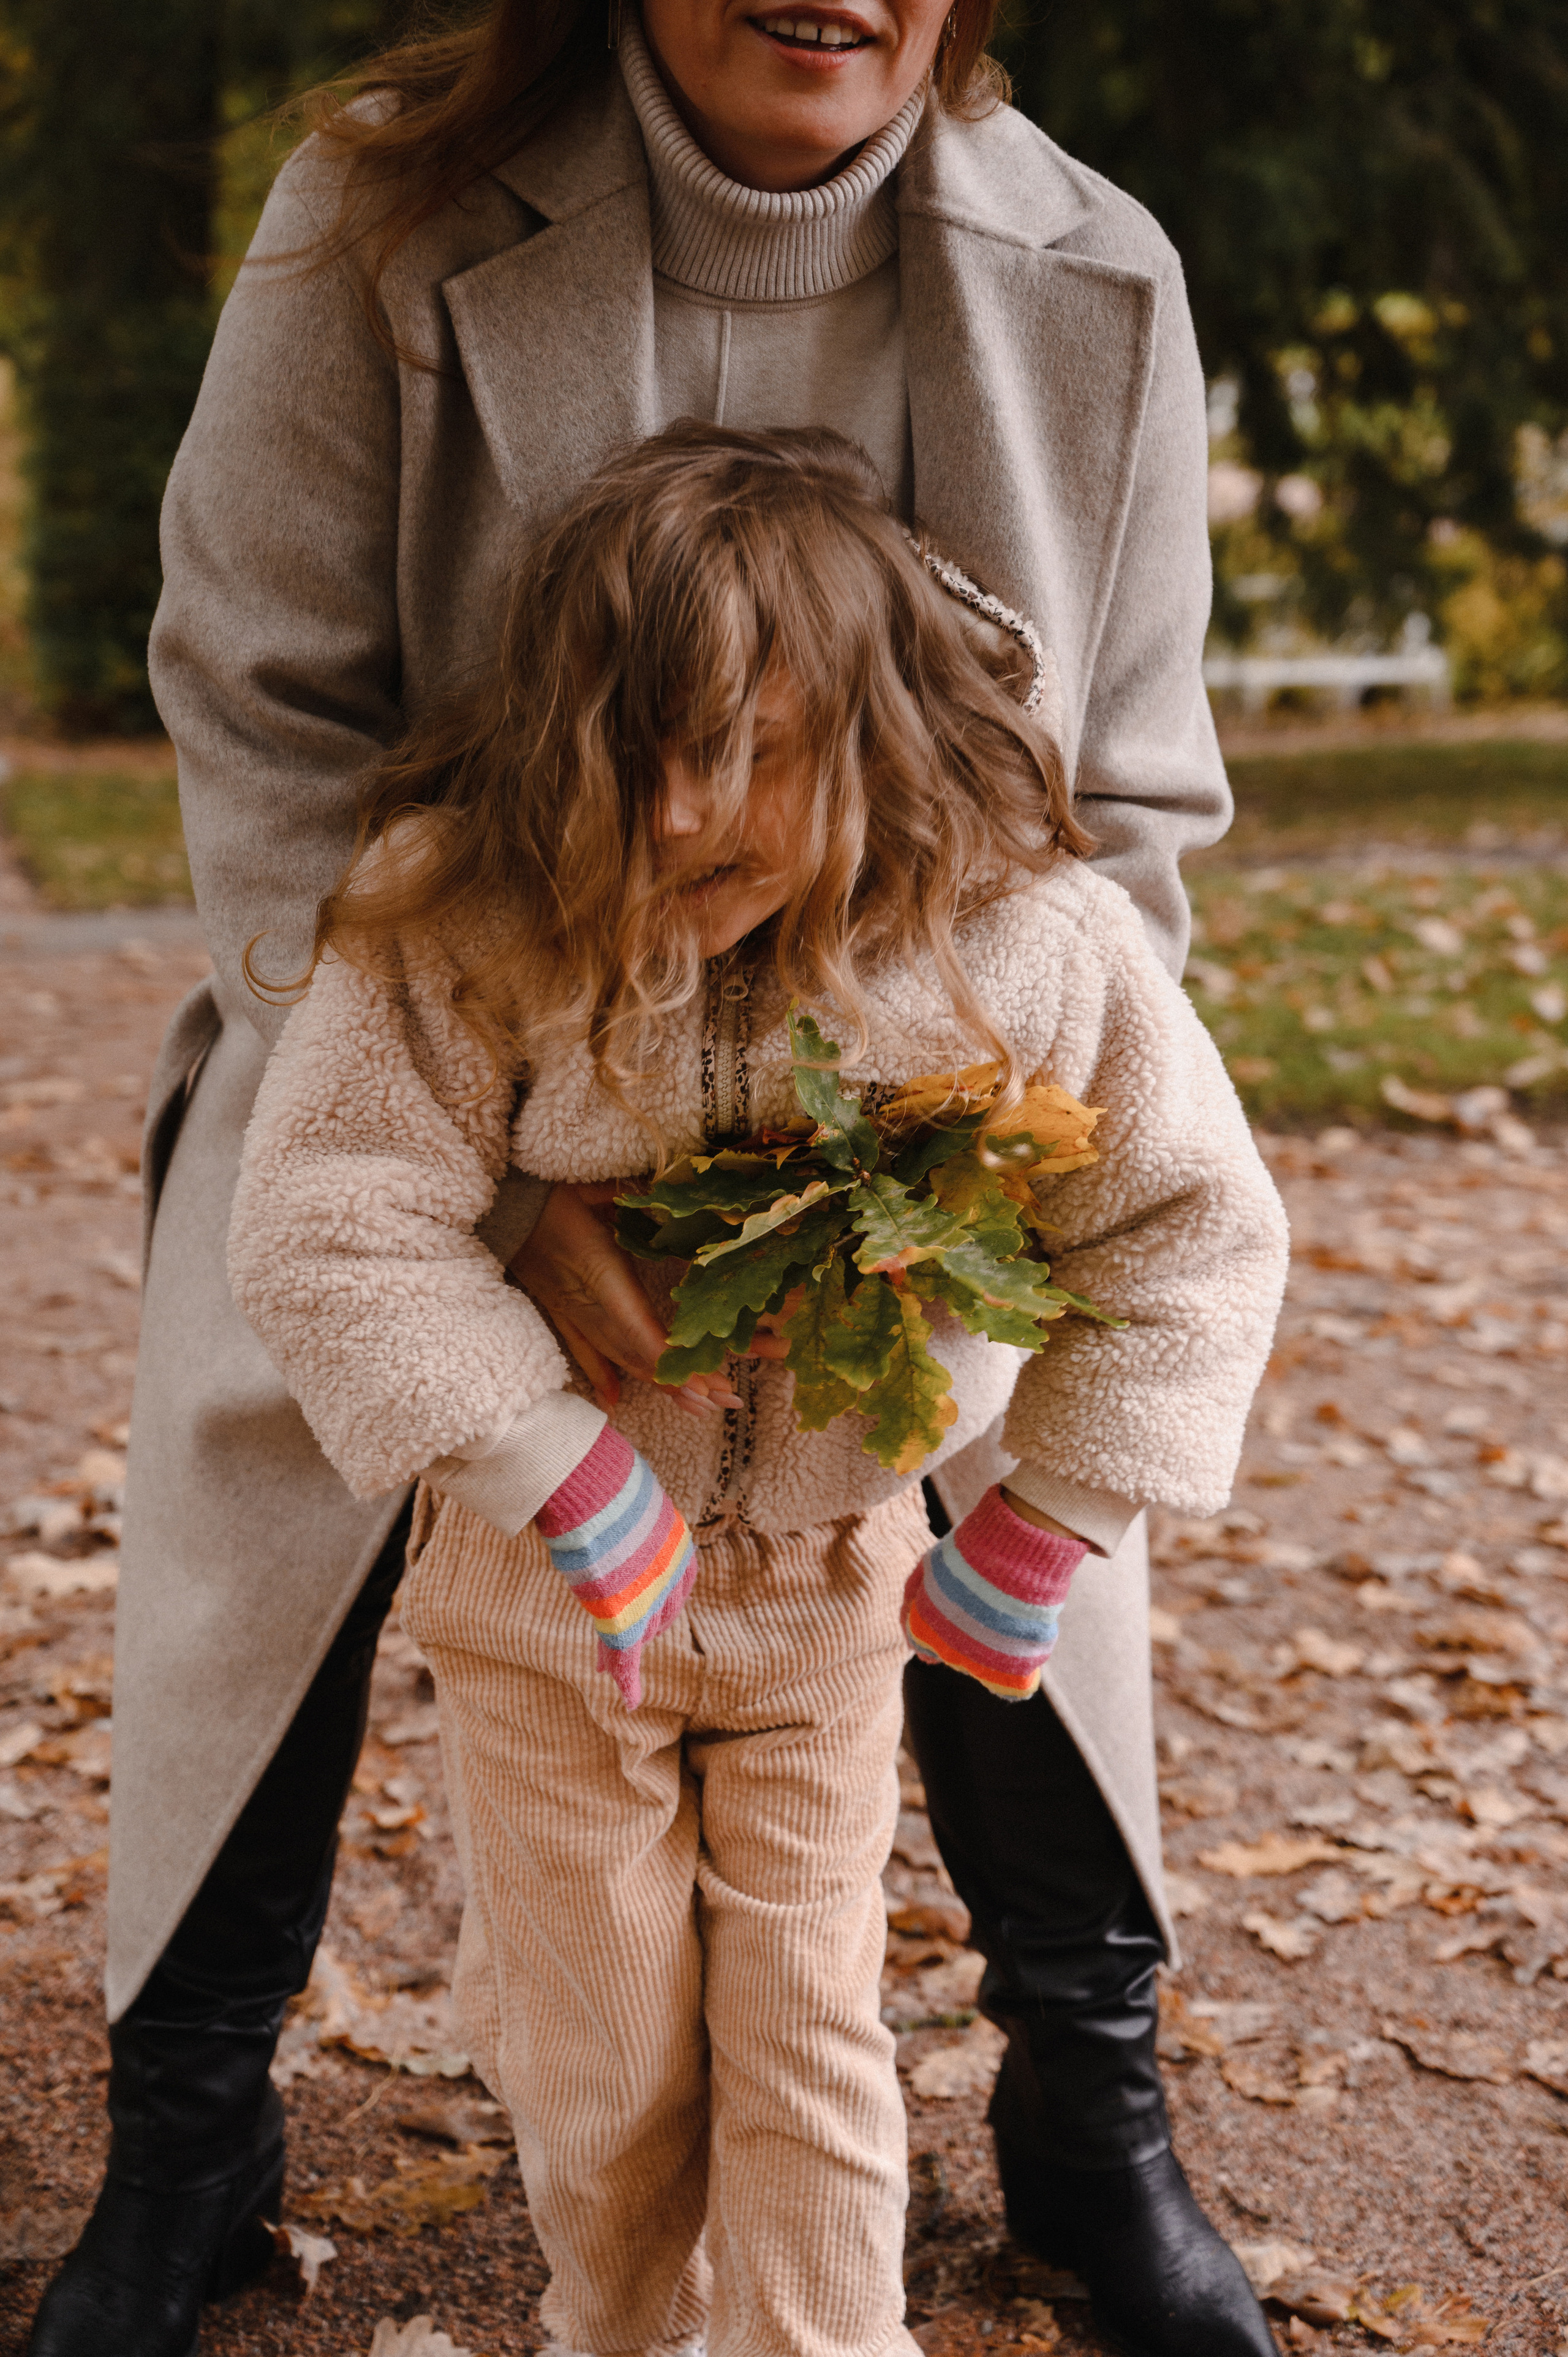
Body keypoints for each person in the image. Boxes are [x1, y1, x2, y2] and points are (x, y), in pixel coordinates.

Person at [27, 4, 1271, 2354]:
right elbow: (257, 702)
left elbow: (1132, 805)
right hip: (429, 1032)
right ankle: (186, 2143)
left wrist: (954, 1176)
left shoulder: (1097, 272)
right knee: (281, 1338)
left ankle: (1094, 2126)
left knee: (1014, 1410)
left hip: (921, 1085)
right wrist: (489, 1179)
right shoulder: (380, 214)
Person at [225, 425, 1288, 2357]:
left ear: (879, 729)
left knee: (812, 2027)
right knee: (610, 2043)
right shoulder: (468, 924)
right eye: (642, 756)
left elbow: (1192, 1233)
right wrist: (558, 1468)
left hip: (828, 1591)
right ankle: (619, 2324)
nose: (695, 810)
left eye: (765, 751)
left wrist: (1046, 1519)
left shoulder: (1018, 943)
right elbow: (326, 1217)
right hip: (547, 1616)